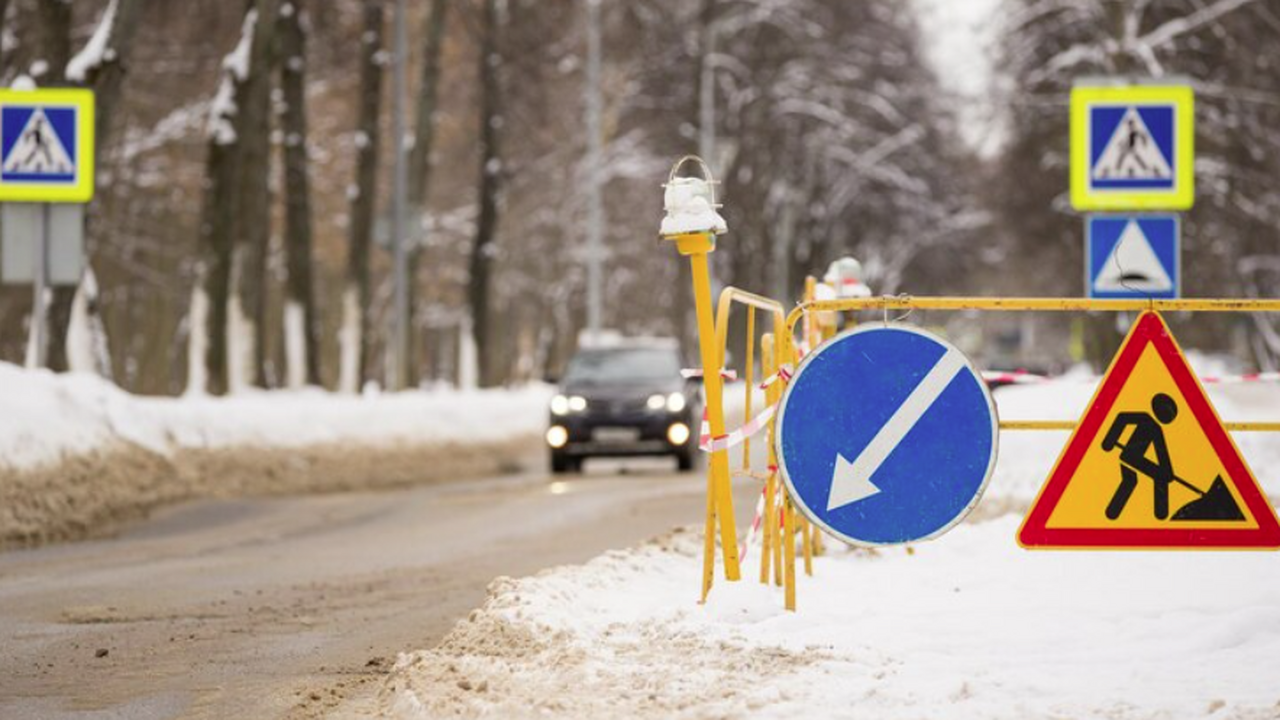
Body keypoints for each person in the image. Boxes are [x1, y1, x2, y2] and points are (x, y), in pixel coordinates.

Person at [1100, 393, 1178, 520]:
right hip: (1130, 456)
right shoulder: (1146, 419)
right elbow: (1122, 418)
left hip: (1133, 458)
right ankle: (1160, 514)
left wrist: (1168, 472)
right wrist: (1109, 441)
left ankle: (1160, 514)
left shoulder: (1155, 428)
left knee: (1134, 480)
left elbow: (1162, 453)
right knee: (1133, 480)